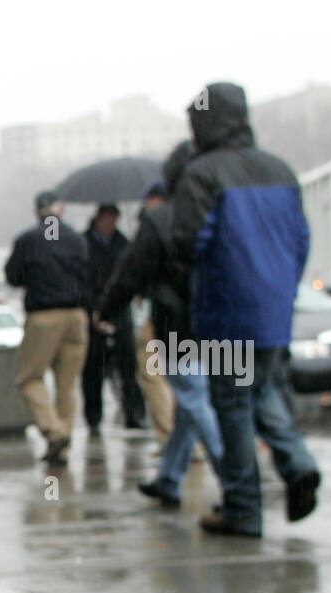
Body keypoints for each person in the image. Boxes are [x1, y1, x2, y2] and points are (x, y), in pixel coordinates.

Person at [171, 82, 320, 536]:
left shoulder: (202, 174)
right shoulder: (281, 169)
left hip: (226, 312)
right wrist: (280, 290)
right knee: (263, 392)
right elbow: (301, 240)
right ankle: (297, 463)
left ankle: (242, 508)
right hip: (274, 310)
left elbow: (187, 242)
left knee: (233, 405)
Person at [97, 142, 223, 507]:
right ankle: (170, 478)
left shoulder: (161, 220)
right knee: (191, 400)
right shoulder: (219, 208)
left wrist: (106, 310)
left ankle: (235, 480)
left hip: (176, 323)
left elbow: (129, 274)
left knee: (194, 399)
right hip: (216, 321)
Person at [4, 191, 91, 466]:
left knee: (29, 377)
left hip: (44, 315)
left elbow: (13, 277)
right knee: (67, 384)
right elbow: (90, 276)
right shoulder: (77, 240)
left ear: (37, 212)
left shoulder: (28, 240)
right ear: (60, 210)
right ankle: (62, 446)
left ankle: (54, 431)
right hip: (76, 315)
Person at [83, 204, 144, 430]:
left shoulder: (123, 243)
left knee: (129, 367)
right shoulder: (84, 244)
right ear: (98, 219)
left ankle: (134, 415)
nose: (110, 225)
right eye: (106, 219)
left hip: (120, 311)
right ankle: (93, 418)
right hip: (94, 310)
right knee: (93, 371)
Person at [129, 182, 177, 445]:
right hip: (186, 311)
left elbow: (137, 268)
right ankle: (189, 440)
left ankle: (172, 437)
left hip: (158, 310)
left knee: (152, 374)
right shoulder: (192, 217)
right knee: (186, 375)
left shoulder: (154, 225)